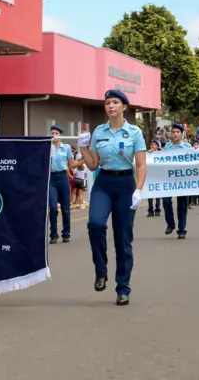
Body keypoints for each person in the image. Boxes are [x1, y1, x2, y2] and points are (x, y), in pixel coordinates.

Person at [78, 89, 146, 306]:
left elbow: (141, 164)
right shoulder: (99, 131)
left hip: (126, 184)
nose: (111, 106)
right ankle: (101, 270)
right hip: (104, 183)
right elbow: (92, 164)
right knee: (95, 224)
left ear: (124, 106)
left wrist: (138, 189)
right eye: (108, 103)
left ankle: (123, 287)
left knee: (123, 239)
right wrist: (82, 147)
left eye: (115, 102)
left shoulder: (134, 132)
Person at [162, 123, 191, 238]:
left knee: (182, 205)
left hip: (182, 179)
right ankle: (170, 223)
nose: (175, 134)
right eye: (173, 132)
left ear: (181, 133)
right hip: (169, 178)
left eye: (177, 132)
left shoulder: (187, 147)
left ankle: (182, 229)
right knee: (166, 201)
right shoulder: (167, 147)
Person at [49, 125, 75, 243]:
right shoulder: (47, 147)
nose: (54, 135)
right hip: (51, 178)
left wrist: (82, 160)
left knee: (65, 208)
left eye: (56, 133)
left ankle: (66, 233)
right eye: (52, 133)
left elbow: (71, 164)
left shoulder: (67, 148)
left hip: (63, 177)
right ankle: (53, 234)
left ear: (61, 135)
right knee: (53, 207)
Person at [146, 140, 162, 217]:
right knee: (150, 195)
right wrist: (148, 153)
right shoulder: (147, 153)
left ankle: (158, 209)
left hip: (158, 176)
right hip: (150, 176)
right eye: (152, 144)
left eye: (155, 144)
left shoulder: (160, 153)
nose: (153, 146)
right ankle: (150, 210)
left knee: (157, 194)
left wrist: (162, 151)